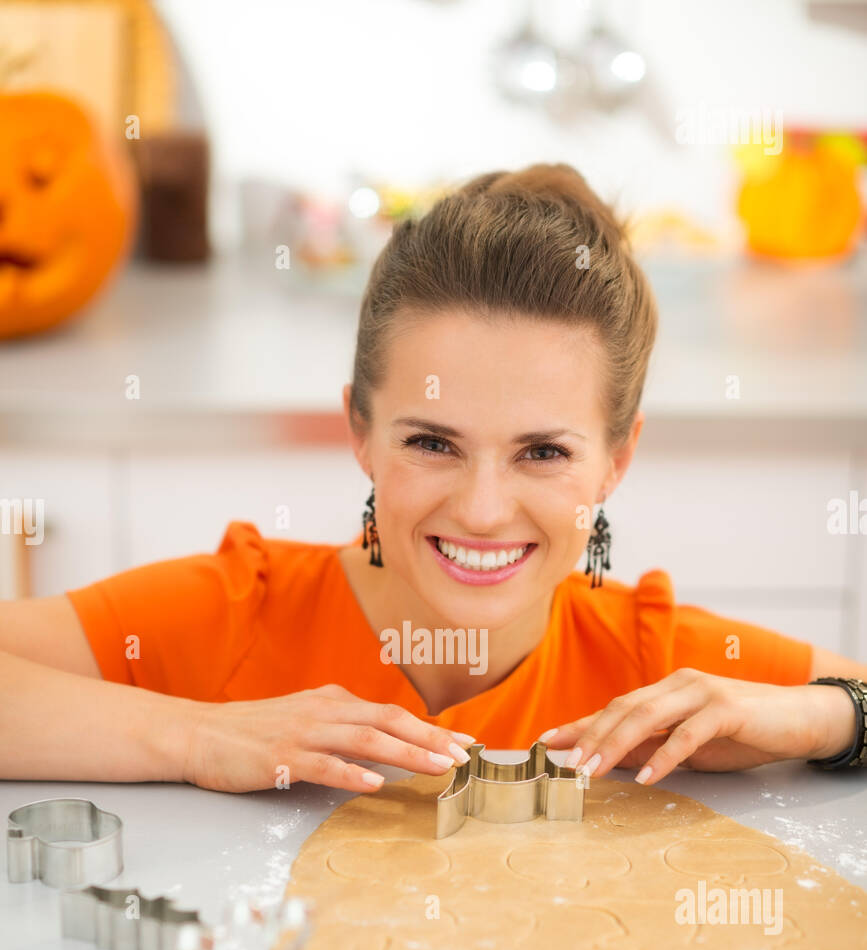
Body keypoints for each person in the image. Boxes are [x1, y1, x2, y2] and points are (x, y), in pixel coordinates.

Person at [2, 164, 865, 793]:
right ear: (360, 433)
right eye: (433, 444)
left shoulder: (652, 665)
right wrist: (193, 736)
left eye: (543, 452)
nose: (484, 511)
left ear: (617, 460)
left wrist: (821, 717)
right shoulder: (238, 615)